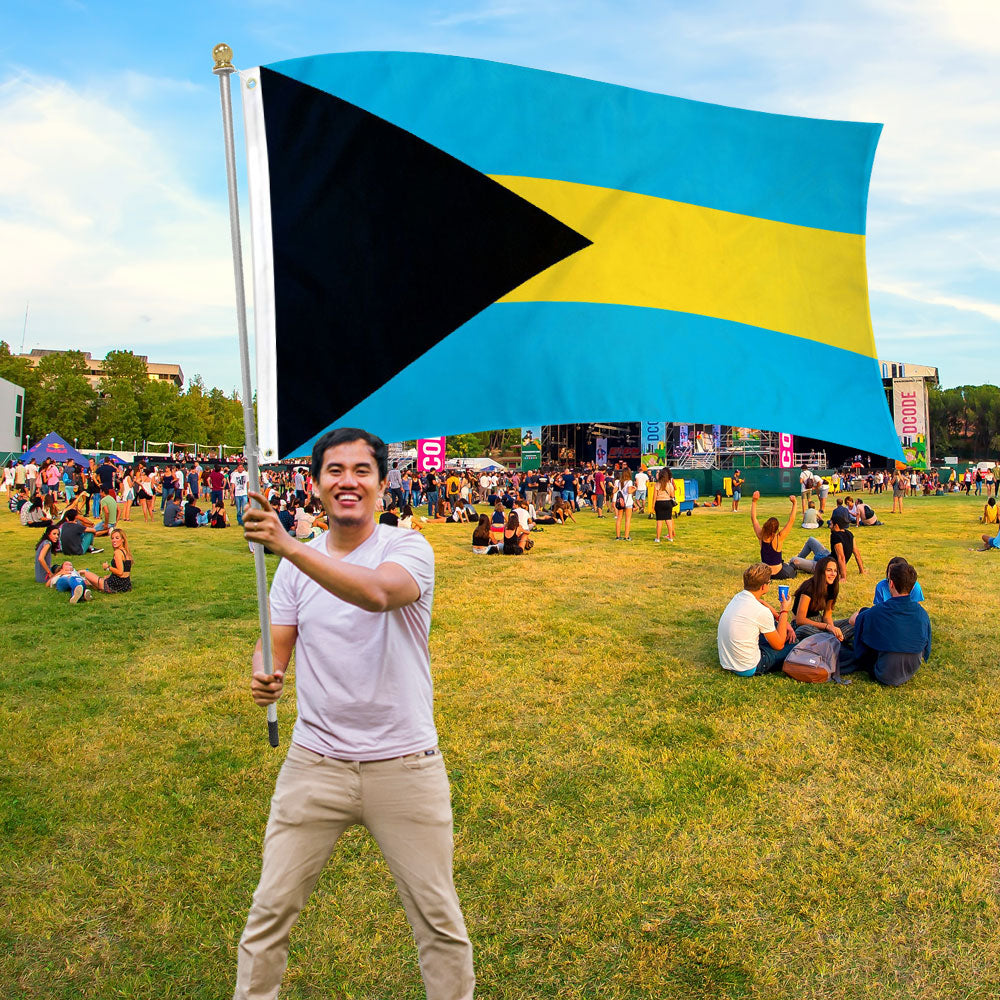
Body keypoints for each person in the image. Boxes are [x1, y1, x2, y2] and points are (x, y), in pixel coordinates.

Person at [236, 427, 474, 999]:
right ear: (316, 484)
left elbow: (377, 594)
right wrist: (265, 672)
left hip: (405, 763)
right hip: (314, 763)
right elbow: (276, 642)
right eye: (335, 470)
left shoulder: (407, 548)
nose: (348, 481)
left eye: (362, 470)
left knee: (438, 923)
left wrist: (289, 546)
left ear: (383, 483)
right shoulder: (295, 567)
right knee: (268, 914)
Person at [848, 561, 931, 686]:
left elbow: (853, 621)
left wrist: (860, 612)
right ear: (913, 587)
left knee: (865, 616)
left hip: (883, 673)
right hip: (911, 669)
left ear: (891, 583)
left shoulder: (879, 611)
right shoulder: (922, 613)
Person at [717, 562, 797, 676]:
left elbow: (760, 602)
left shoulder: (738, 597)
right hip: (748, 667)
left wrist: (777, 616)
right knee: (796, 646)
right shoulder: (761, 612)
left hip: (728, 662)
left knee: (771, 627)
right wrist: (784, 611)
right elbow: (779, 646)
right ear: (763, 586)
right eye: (769, 582)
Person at [750, 493, 827, 577]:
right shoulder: (779, 537)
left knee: (786, 565)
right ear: (776, 529)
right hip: (780, 573)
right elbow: (791, 520)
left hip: (766, 573)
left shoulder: (761, 536)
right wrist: (794, 503)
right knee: (793, 565)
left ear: (765, 525)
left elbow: (754, 519)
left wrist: (754, 501)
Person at [791, 556, 852, 641]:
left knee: (853, 622)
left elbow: (827, 616)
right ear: (821, 572)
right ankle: (834, 639)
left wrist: (832, 629)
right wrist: (827, 627)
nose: (833, 574)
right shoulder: (809, 588)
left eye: (835, 571)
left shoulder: (832, 588)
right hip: (802, 626)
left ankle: (832, 638)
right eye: (829, 570)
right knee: (804, 630)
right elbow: (800, 620)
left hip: (820, 623)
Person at [81, 528, 133, 594]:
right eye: (112, 538)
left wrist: (107, 567)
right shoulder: (126, 552)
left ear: (123, 539)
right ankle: (86, 584)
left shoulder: (118, 552)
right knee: (95, 581)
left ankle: (79, 578)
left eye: (117, 538)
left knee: (86, 573)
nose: (114, 540)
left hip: (114, 585)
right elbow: (125, 571)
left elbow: (120, 572)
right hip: (126, 585)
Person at [653, 468, 675, 543]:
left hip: (659, 502)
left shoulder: (657, 485)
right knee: (668, 520)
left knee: (659, 521)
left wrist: (653, 506)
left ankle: (658, 538)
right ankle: (671, 537)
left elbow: (654, 497)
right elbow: (672, 495)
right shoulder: (670, 485)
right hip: (668, 502)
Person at [614, 468, 635, 540]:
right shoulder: (629, 482)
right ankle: (626, 536)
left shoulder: (619, 482)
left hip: (621, 502)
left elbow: (614, 491)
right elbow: (629, 491)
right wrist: (634, 489)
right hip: (628, 502)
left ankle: (618, 536)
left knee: (619, 518)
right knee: (627, 520)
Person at [231, 461, 250, 526]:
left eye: (241, 467)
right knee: (238, 509)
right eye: (239, 467)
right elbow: (233, 484)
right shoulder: (234, 474)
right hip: (237, 494)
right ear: (237, 468)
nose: (240, 468)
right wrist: (232, 492)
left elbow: (248, 483)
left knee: (244, 508)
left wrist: (248, 491)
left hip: (244, 493)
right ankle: (239, 520)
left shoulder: (246, 474)